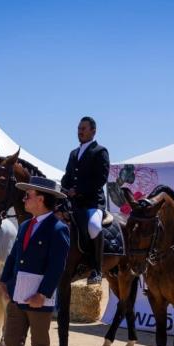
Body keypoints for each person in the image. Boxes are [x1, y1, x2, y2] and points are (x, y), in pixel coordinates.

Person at [0, 176, 70, 346]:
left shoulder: (59, 229)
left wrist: (44, 293)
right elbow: (15, 255)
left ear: (42, 199)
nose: (24, 198)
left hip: (39, 297)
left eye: (29, 194)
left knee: (39, 345)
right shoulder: (26, 225)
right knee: (12, 340)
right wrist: (4, 280)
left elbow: (57, 267)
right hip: (17, 293)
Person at [60, 116, 110, 284]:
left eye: (83, 128)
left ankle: (96, 269)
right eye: (79, 128)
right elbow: (67, 177)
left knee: (94, 226)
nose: (80, 131)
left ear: (93, 131)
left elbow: (100, 179)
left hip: (92, 202)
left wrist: (79, 190)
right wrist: (63, 188)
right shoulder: (73, 153)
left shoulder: (100, 151)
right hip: (73, 202)